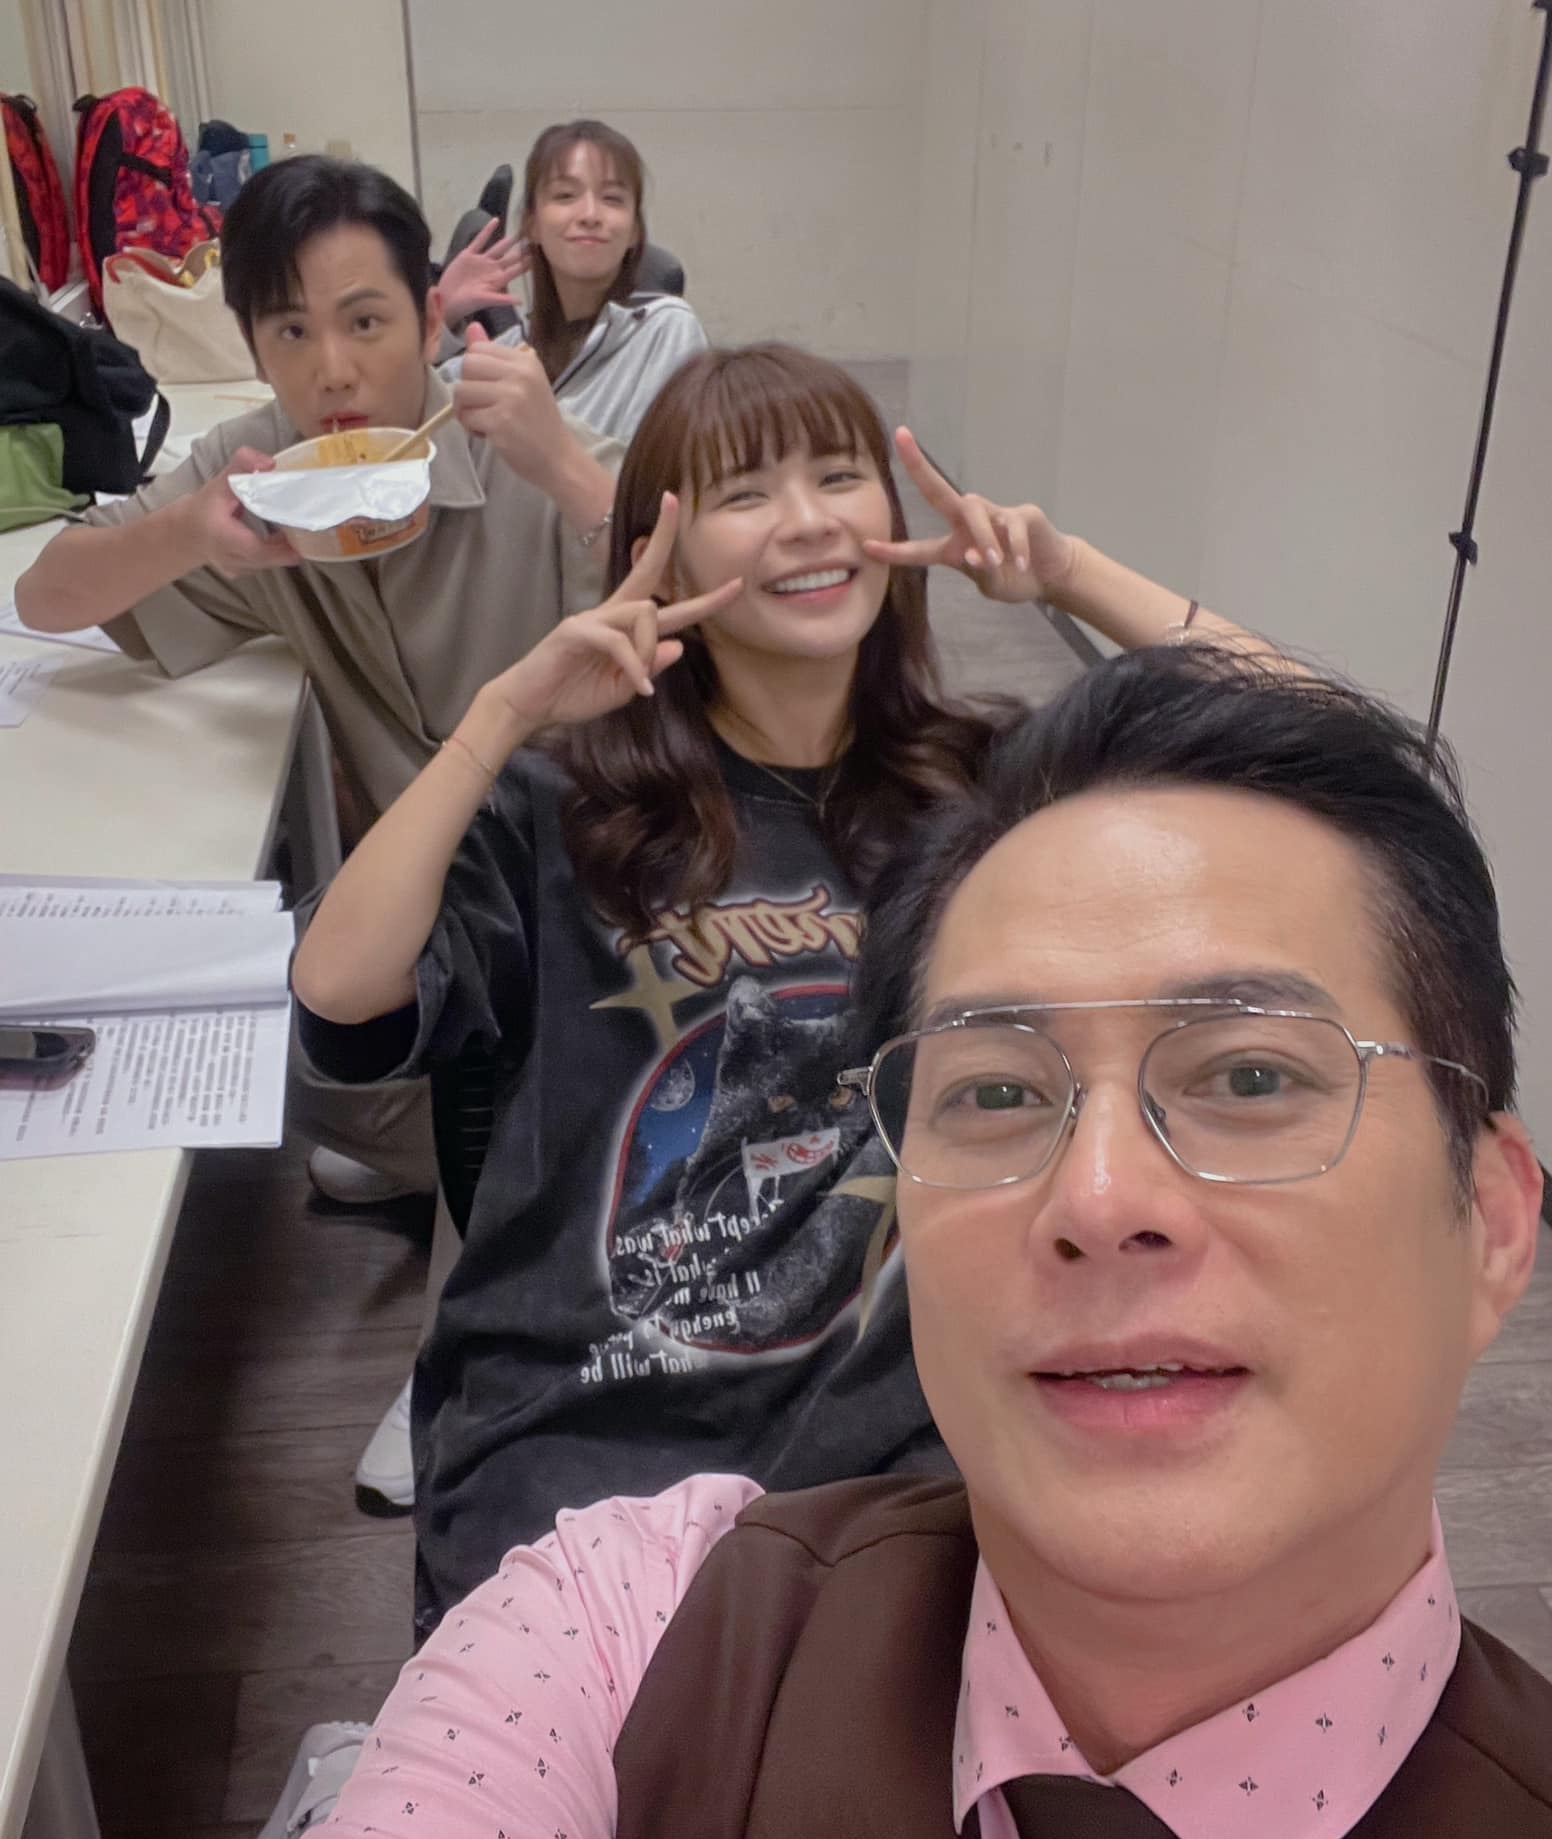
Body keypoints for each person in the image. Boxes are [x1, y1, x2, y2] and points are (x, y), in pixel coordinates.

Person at [167, 650, 1550, 1839]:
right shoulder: (633, 1637)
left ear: (1494, 1222)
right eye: (998, 1092)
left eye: (1250, 1076)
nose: (1098, 1198)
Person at [296, 342, 1260, 1611]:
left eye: (839, 475)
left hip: (894, 1450)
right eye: (745, 492)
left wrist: (1067, 573)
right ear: (661, 550)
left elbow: (1315, 735)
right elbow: (339, 992)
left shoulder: (986, 787)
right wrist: (501, 716)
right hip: (585, 1431)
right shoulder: (561, 808)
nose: (807, 520)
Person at [15, 154, 621, 1205]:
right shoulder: (259, 472)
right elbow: (47, 597)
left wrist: (568, 469)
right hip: (419, 919)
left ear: (430, 322)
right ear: (253, 346)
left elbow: (718, 609)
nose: (333, 371)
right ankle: (484, 1148)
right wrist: (186, 533)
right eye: (290, 331)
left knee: (555, 1095)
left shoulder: (525, 446)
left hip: (597, 893)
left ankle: (523, 1158)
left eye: (365, 322)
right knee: (278, 1064)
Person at [438, 119, 708, 445]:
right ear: (532, 224)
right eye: (565, 195)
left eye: (612, 198)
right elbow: (413, 424)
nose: (590, 214)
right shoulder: (513, 348)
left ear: (635, 231)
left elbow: (655, 469)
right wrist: (440, 315)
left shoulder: (666, 329)